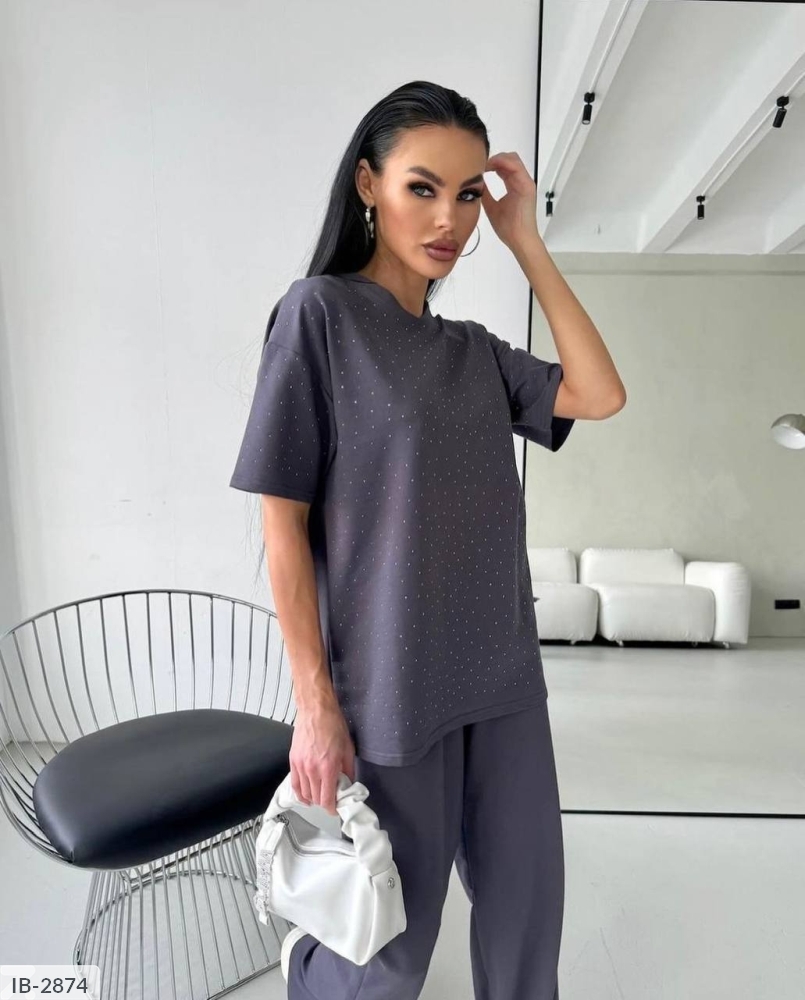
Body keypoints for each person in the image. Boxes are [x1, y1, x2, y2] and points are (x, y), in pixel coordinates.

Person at [230, 80, 625, 1000]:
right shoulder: (318, 316)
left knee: (526, 924)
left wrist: (526, 241)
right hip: (391, 684)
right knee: (390, 955)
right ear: (368, 185)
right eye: (422, 187)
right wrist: (315, 707)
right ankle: (310, 971)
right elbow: (282, 523)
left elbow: (599, 394)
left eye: (467, 195)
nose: (449, 218)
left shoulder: (474, 351)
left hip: (502, 675)